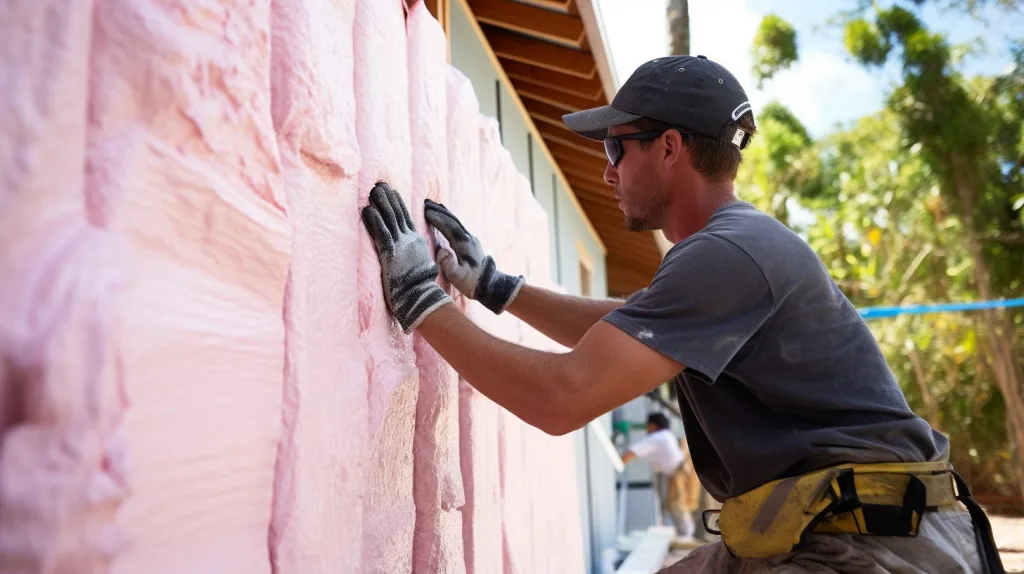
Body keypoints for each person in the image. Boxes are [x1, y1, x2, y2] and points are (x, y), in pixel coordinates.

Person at [359, 54, 1004, 573]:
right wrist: (496, 287)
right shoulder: (729, 248)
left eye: (617, 149)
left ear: (669, 148)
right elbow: (631, 325)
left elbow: (563, 398)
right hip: (825, 527)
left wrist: (423, 304)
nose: (607, 172)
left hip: (876, 549)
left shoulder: (726, 254)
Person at [621, 412, 696, 540]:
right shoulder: (667, 435)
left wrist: (616, 463)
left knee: (677, 507)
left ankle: (686, 537)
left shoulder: (658, 437)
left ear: (653, 426)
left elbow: (629, 455)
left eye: (648, 426)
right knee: (676, 508)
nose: (647, 429)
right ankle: (685, 535)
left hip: (676, 475)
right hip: (676, 472)